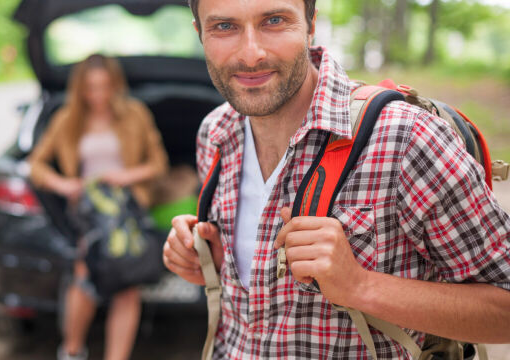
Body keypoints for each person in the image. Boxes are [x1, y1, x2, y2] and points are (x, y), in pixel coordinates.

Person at [162, 0, 510, 358]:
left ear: (311, 24)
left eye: (274, 21)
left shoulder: (407, 138)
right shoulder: (216, 134)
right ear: (199, 34)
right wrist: (209, 263)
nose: (251, 54)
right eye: (224, 27)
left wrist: (360, 285)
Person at [28, 54, 168, 360]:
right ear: (80, 89)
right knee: (86, 273)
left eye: (105, 87)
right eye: (91, 88)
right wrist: (64, 185)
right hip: (89, 211)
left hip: (128, 206)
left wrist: (125, 176)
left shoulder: (134, 113)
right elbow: (36, 166)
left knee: (127, 283)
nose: (99, 95)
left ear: (116, 85)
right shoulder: (67, 118)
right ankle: (72, 350)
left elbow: (158, 164)